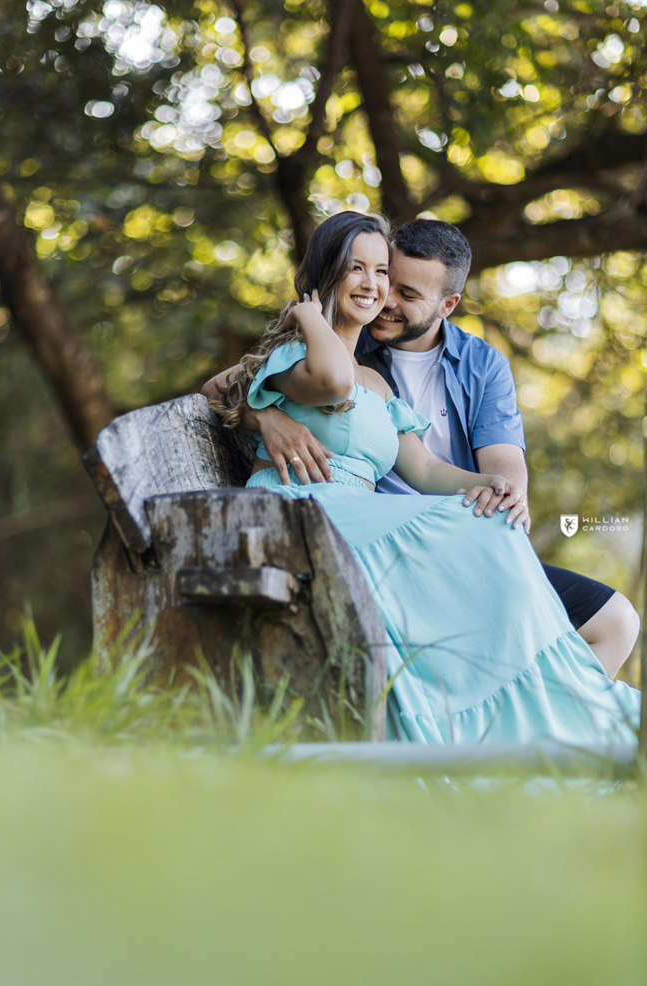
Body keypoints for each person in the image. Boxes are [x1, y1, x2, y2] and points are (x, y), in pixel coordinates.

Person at [206, 210, 638, 744]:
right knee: (473, 536)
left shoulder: (401, 379)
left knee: (494, 529)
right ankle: (522, 723)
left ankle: (543, 721)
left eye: (386, 277)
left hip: (372, 526)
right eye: (358, 270)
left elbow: (429, 468)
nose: (378, 292)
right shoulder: (306, 354)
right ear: (328, 276)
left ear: (446, 303)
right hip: (312, 522)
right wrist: (276, 393)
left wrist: (495, 488)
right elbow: (233, 387)